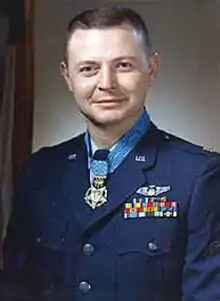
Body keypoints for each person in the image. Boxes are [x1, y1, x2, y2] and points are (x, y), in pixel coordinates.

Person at [2, 5, 220, 301]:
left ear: (152, 69)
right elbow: (15, 288)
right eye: (89, 68)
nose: (106, 83)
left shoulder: (198, 176)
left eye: (123, 66)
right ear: (68, 77)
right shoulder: (38, 172)